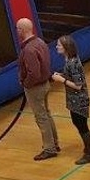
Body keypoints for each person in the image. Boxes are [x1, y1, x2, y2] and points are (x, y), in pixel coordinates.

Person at [16, 18, 59, 161]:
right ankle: (54, 143)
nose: (17, 31)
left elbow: (33, 72)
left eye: (18, 29)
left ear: (22, 30)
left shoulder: (28, 49)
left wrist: (26, 83)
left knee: (41, 116)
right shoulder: (40, 42)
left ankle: (49, 148)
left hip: (36, 88)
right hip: (45, 83)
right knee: (46, 114)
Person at [50, 35, 90, 165]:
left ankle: (89, 152)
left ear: (66, 47)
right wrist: (63, 75)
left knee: (81, 125)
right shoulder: (69, 61)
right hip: (73, 99)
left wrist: (61, 80)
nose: (56, 47)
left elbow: (78, 85)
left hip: (78, 100)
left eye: (59, 45)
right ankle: (89, 149)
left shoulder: (73, 63)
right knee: (79, 124)